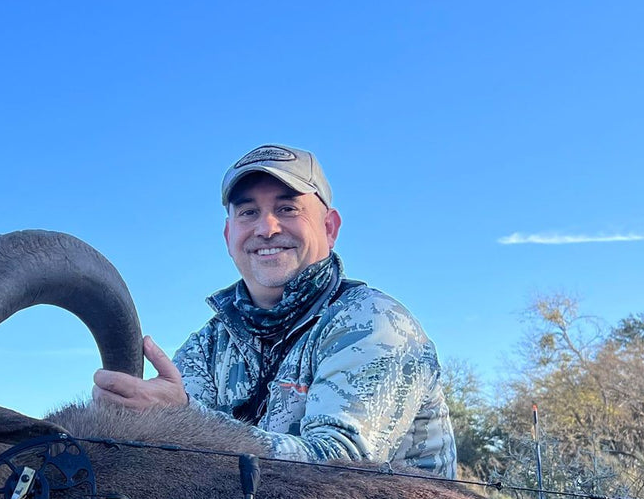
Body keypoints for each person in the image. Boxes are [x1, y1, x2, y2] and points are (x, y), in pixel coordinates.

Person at [92, 143, 456, 475]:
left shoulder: (374, 323)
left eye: (287, 208)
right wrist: (131, 419)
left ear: (329, 228)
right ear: (228, 236)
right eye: (248, 212)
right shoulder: (208, 345)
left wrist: (181, 415)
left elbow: (339, 468)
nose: (266, 228)